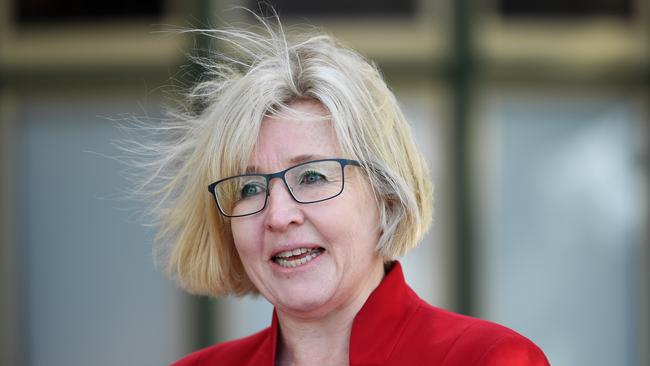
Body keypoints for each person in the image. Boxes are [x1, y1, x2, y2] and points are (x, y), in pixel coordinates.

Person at [133, 15, 549, 366]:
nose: (278, 215)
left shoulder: (487, 359)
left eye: (312, 177)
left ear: (386, 196)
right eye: (250, 188)